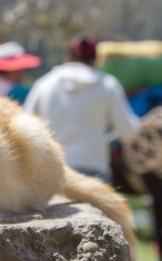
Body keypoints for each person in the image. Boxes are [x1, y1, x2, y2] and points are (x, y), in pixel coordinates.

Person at [24, 36, 141, 182]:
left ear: (67, 57)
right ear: (95, 60)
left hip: (54, 171)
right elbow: (128, 131)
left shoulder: (44, 84)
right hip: (94, 170)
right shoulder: (107, 85)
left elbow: (26, 127)